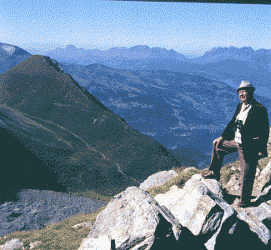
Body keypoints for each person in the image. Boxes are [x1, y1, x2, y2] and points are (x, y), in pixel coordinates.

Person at [201, 81, 269, 208]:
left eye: (244, 91)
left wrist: (261, 149)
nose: (241, 94)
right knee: (218, 146)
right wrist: (222, 137)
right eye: (240, 91)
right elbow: (232, 123)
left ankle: (245, 200)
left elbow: (265, 130)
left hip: (249, 146)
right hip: (236, 141)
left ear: (251, 92)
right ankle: (214, 172)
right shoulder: (240, 106)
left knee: (246, 174)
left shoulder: (259, 109)